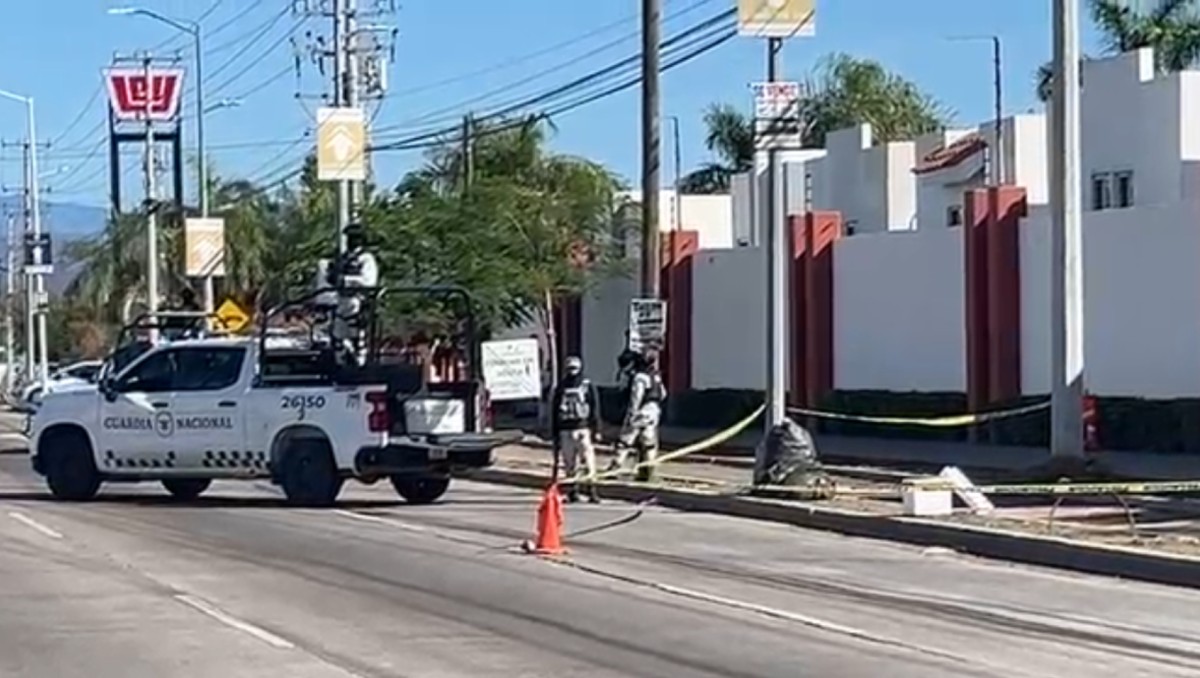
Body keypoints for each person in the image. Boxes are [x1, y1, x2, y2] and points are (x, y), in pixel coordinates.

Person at [550, 356, 601, 503]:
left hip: (572, 430)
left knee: (573, 463)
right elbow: (595, 407)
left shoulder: (562, 386)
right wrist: (596, 429)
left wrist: (554, 433)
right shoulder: (586, 384)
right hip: (579, 429)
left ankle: (580, 491)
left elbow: (555, 410)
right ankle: (588, 492)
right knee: (583, 462)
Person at [613, 349, 667, 482]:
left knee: (625, 440)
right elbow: (663, 393)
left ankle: (615, 467)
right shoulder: (656, 376)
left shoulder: (640, 377)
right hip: (654, 410)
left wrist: (631, 414)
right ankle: (649, 471)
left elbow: (636, 397)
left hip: (641, 410)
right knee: (649, 442)